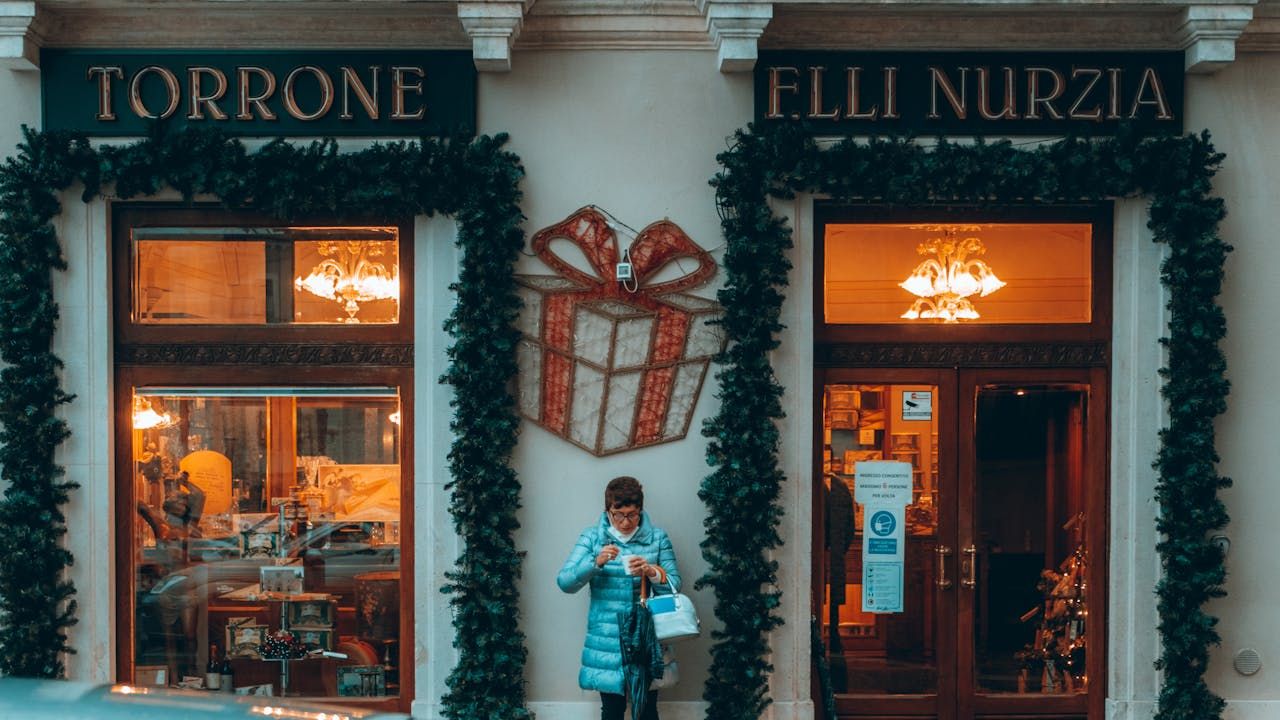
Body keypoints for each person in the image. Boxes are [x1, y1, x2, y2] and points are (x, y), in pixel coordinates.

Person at [558, 476, 681, 720]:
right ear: (608, 511)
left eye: (632, 515)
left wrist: (650, 571)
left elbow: (675, 585)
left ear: (640, 511)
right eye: (619, 515)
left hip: (645, 635)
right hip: (607, 639)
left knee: (646, 709)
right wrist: (596, 563)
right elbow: (565, 582)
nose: (625, 522)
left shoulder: (657, 538)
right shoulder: (593, 538)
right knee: (612, 711)